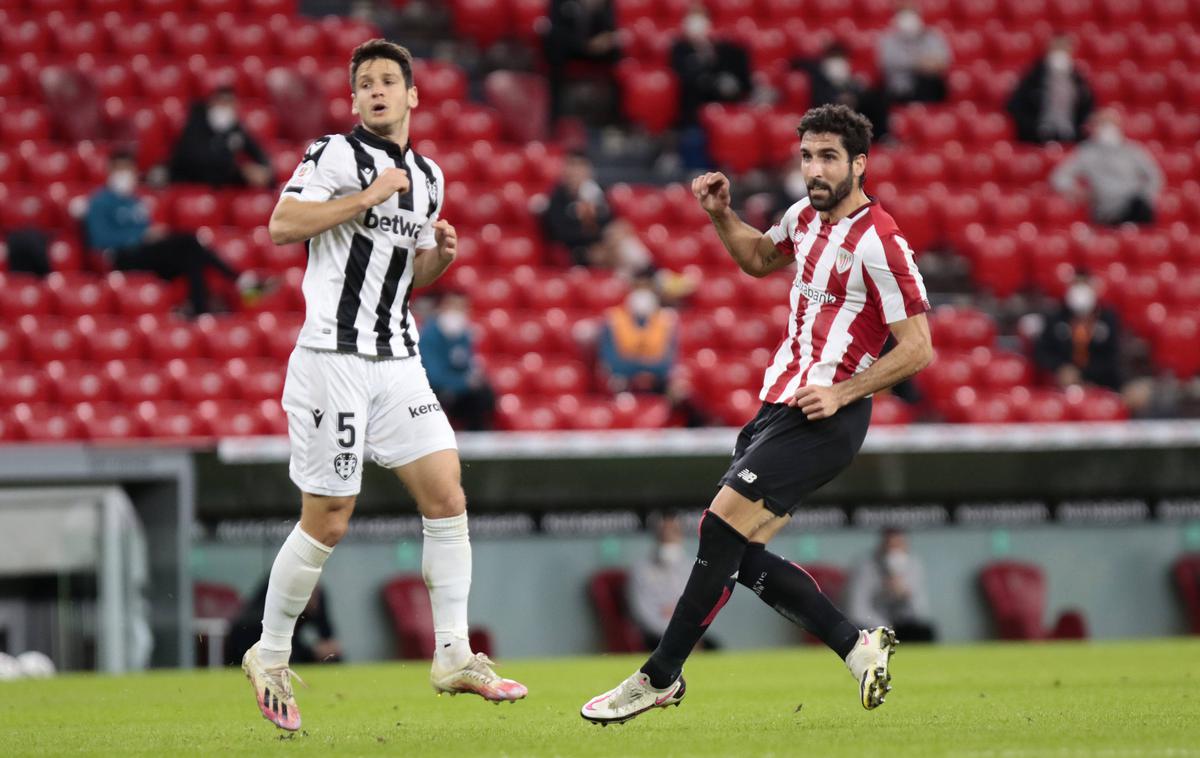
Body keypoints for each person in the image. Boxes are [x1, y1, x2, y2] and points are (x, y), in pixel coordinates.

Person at [581, 104, 933, 725]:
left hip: (827, 414)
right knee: (734, 553)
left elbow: (919, 347)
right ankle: (857, 646)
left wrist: (846, 392)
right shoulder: (801, 218)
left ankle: (658, 676)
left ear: (859, 164)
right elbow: (758, 259)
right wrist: (722, 215)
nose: (815, 169)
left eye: (828, 157)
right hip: (777, 405)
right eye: (807, 157)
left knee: (718, 531)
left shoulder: (881, 241)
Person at [242, 39, 527, 733]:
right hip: (331, 359)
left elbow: (400, 278)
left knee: (447, 492)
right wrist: (367, 196)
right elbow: (282, 226)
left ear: (412, 96)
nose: (376, 91)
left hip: (398, 358)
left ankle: (454, 652)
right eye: (364, 83)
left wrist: (436, 261)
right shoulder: (336, 156)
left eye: (387, 81)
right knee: (330, 517)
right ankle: (269, 652)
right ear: (354, 100)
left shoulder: (429, 176)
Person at [84, 151, 249, 315]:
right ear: (110, 171)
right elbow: (100, 239)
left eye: (128, 169)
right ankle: (238, 280)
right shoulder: (99, 202)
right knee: (189, 241)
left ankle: (200, 311)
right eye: (120, 169)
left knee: (192, 256)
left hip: (146, 255)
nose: (125, 175)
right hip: (122, 256)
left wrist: (153, 235)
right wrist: (139, 236)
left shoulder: (135, 202)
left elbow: (145, 231)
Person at [1050, 109, 1163, 226]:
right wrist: (1076, 191)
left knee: (1143, 209)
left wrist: (1145, 195)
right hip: (1106, 210)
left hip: (1134, 204)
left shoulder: (1132, 150)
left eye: (1110, 123)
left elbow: (1154, 175)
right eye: (1102, 123)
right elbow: (1060, 177)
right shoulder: (1086, 152)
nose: (1107, 128)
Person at [628, 513, 721, 651]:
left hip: (690, 634)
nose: (668, 538)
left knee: (713, 649)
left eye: (673, 533)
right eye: (664, 534)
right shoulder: (641, 570)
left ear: (681, 536)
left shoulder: (693, 567)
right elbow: (642, 613)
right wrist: (672, 635)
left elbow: (702, 607)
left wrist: (688, 634)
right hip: (656, 636)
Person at [168, 84, 275, 188]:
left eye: (230, 103)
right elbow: (197, 162)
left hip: (223, 186)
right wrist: (241, 170)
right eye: (222, 101)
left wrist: (263, 170)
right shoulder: (196, 124)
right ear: (211, 103)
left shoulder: (234, 127)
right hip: (192, 183)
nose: (225, 106)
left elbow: (257, 152)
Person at [419, 291, 496, 431]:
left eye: (462, 307)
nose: (457, 312)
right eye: (453, 306)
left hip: (460, 391)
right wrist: (464, 383)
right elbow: (433, 376)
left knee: (485, 394)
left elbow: (469, 364)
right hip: (437, 391)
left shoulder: (464, 334)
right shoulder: (429, 334)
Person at [846, 529, 937, 643]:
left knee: (924, 632)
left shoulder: (914, 565)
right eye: (890, 546)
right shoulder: (865, 567)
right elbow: (857, 612)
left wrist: (905, 595)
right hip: (874, 627)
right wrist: (886, 626)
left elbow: (920, 612)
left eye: (899, 545)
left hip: (902, 629)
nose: (894, 551)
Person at [597, 266, 678, 394]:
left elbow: (668, 364)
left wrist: (646, 370)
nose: (642, 292)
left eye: (647, 287)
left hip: (659, 384)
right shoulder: (613, 318)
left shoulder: (667, 320)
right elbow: (611, 363)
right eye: (638, 287)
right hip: (622, 383)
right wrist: (644, 367)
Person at [669, 4, 753, 127]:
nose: (696, 25)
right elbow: (684, 77)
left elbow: (737, 79)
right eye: (692, 20)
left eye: (700, 19)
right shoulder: (679, 49)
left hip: (722, 107)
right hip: (694, 114)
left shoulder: (721, 49)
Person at [225, 581, 342, 666]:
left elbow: (327, 637)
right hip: (253, 641)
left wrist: (327, 647)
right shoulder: (277, 585)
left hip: (291, 647)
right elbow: (265, 630)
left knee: (333, 657)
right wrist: (312, 652)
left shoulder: (316, 592)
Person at [544, 0, 621, 124]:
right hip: (571, 47)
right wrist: (584, 45)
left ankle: (616, 118)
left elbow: (611, 28)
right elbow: (556, 29)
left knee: (619, 53)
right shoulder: (559, 3)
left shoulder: (605, 3)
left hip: (598, 47)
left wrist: (596, 13)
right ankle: (554, 116)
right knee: (554, 46)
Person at [1007, 36, 1095, 145]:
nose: (1060, 53)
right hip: (1038, 137)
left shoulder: (1077, 78)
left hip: (1070, 136)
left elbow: (1088, 106)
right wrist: (1032, 128)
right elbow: (1016, 106)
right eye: (1056, 48)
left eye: (1064, 49)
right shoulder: (1034, 76)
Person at [796, 42, 889, 141]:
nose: (838, 63)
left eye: (840, 58)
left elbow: (870, 99)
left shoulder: (853, 82)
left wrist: (855, 99)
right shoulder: (818, 80)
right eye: (833, 58)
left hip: (854, 122)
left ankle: (879, 139)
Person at [541, 151, 613, 266]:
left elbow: (610, 222)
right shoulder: (557, 198)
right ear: (565, 171)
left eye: (580, 166)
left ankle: (644, 274)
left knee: (622, 241)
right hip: (576, 253)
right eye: (572, 165)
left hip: (604, 247)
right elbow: (560, 233)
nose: (576, 172)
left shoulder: (599, 194)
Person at [876, 4, 951, 104]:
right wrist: (919, 63)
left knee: (931, 81)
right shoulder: (888, 39)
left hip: (929, 87)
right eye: (904, 14)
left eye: (912, 13)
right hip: (899, 90)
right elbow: (886, 62)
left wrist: (927, 65)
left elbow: (943, 61)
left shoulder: (932, 36)